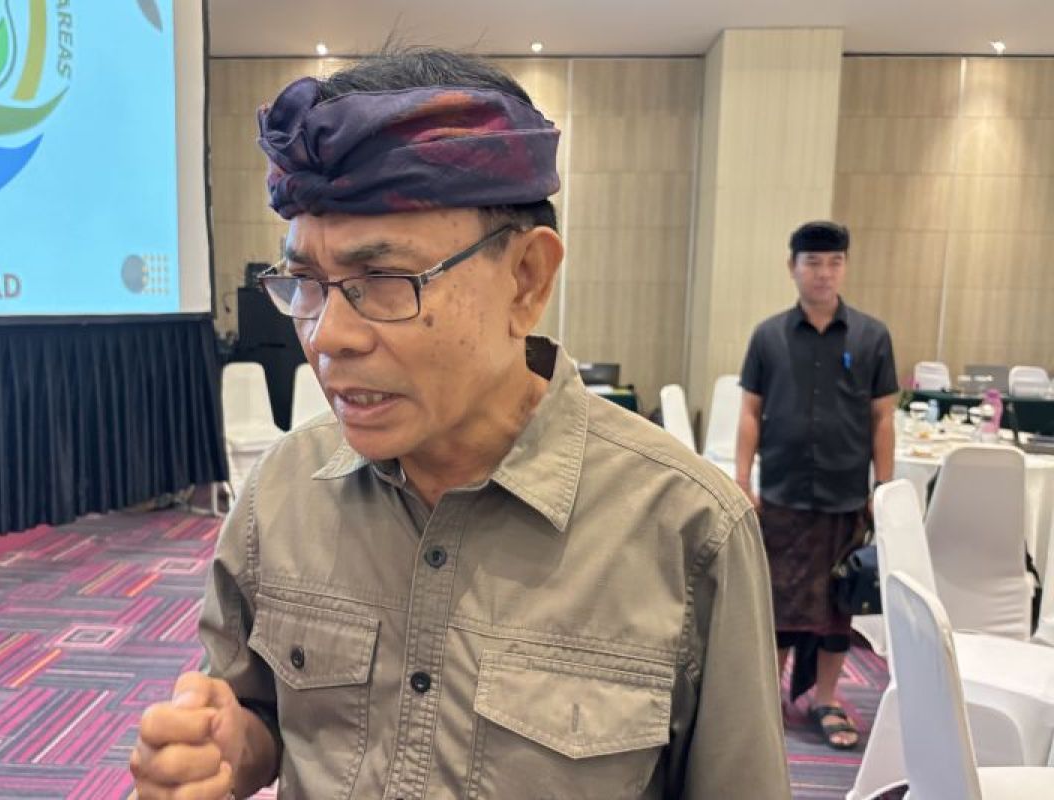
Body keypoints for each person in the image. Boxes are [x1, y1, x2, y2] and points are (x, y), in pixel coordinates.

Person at [129, 48, 790, 799]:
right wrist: (226, 748)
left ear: (527, 280)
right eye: (306, 283)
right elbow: (260, 709)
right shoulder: (282, 491)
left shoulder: (687, 530)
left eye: (383, 280)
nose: (327, 336)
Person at [735, 221, 897, 751]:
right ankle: (767, 702)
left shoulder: (872, 337)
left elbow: (882, 419)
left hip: (844, 498)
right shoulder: (768, 336)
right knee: (778, 605)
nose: (824, 273)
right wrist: (742, 478)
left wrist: (884, 489)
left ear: (844, 267)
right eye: (813, 262)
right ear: (793, 267)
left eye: (834, 262)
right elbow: (750, 412)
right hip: (782, 495)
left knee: (836, 608)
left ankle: (827, 698)